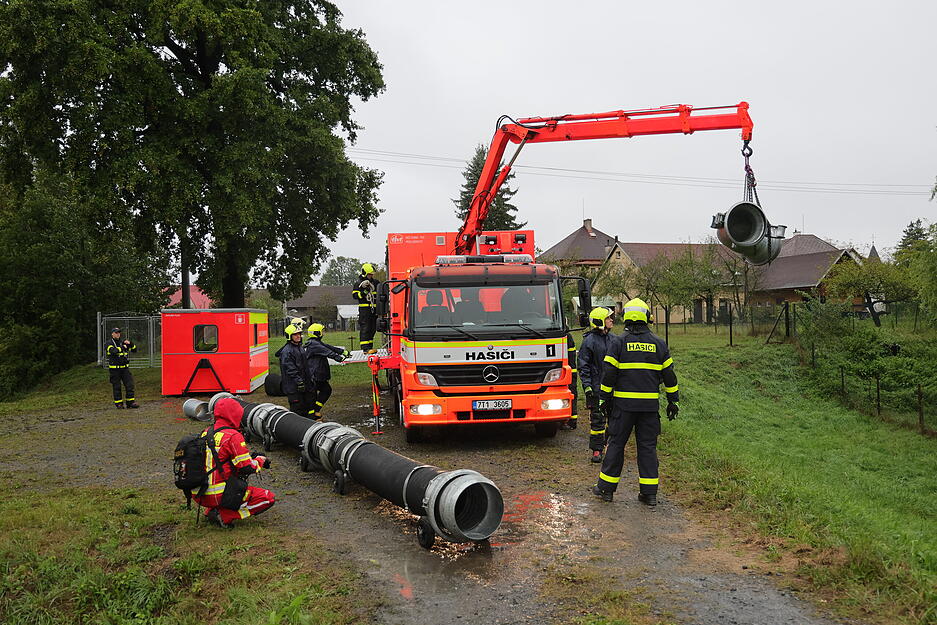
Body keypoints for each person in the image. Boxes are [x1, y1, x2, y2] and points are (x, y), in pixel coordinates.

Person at [592, 298, 678, 506]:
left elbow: (609, 374)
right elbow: (670, 377)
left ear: (626, 318)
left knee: (616, 445)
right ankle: (649, 494)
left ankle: (606, 490)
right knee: (647, 447)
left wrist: (603, 399)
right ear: (647, 317)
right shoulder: (659, 344)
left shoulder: (618, 343)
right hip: (649, 409)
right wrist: (673, 401)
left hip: (623, 407)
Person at [191, 397, 275, 528]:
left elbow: (222, 459)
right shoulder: (232, 436)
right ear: (234, 415)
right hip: (218, 494)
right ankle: (225, 515)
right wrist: (260, 461)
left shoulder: (206, 432)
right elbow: (247, 467)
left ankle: (211, 510)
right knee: (267, 498)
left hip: (199, 494)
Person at [578, 307, 616, 462]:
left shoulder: (614, 340)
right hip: (596, 388)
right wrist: (587, 387)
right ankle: (597, 450)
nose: (612, 320)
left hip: (613, 388)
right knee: (597, 420)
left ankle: (609, 446)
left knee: (614, 419)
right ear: (600, 322)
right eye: (608, 318)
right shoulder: (589, 341)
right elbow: (583, 365)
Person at [304, 323, 349, 419]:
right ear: (317, 333)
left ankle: (315, 411)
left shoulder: (315, 342)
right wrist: (337, 357)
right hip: (314, 376)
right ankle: (312, 416)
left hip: (318, 375)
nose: (323, 333)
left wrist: (342, 351)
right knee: (318, 394)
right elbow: (327, 352)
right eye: (322, 331)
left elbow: (328, 347)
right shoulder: (314, 345)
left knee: (326, 390)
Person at [275, 324, 314, 418]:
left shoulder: (300, 347)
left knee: (306, 407)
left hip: (303, 384)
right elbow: (290, 369)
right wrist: (299, 381)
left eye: (299, 334)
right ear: (289, 336)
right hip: (293, 387)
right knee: (297, 409)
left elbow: (305, 366)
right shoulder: (287, 351)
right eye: (295, 334)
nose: (298, 336)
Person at [106, 327, 139, 408]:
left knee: (129, 385)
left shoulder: (122, 342)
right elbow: (113, 351)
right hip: (114, 369)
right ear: (112, 334)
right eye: (116, 332)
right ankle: (119, 404)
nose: (118, 334)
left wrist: (130, 343)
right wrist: (123, 347)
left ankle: (130, 403)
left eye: (119, 332)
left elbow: (134, 350)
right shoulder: (108, 343)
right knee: (117, 387)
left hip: (124, 368)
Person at [353, 262, 379, 353]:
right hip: (364, 310)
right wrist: (364, 292)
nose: (371, 276)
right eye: (369, 274)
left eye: (372, 274)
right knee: (365, 328)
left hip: (374, 310)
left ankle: (370, 347)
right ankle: (365, 348)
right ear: (364, 273)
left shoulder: (375, 283)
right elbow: (355, 296)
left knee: (372, 328)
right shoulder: (358, 283)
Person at [559, 332, 579, 431]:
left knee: (571, 394)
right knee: (572, 394)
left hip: (568, 371)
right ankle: (571, 421)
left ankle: (571, 421)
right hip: (569, 370)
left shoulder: (565, 336)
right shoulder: (567, 336)